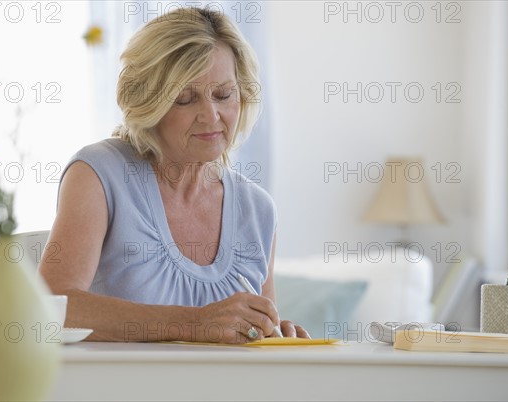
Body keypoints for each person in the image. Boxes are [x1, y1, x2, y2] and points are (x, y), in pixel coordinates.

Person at [39, 7, 309, 343]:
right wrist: (195, 324)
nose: (211, 115)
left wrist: (273, 332)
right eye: (184, 99)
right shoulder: (99, 174)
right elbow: (52, 309)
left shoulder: (259, 210)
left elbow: (252, 337)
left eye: (224, 95)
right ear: (148, 102)